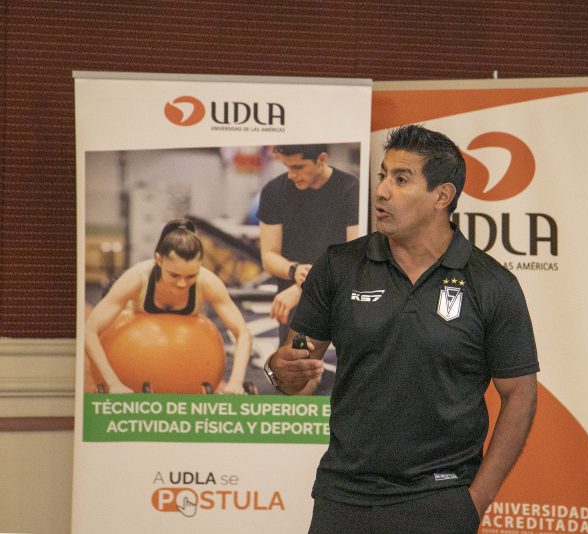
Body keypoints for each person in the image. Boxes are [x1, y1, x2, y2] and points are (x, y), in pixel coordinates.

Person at [265, 125, 539, 533]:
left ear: (442, 197)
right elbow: (297, 361)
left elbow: (520, 394)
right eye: (382, 175)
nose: (381, 191)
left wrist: (475, 500)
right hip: (344, 496)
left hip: (440, 498)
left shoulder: (491, 284)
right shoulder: (338, 266)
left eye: (401, 179)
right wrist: (280, 368)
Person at [85, 218, 253, 394]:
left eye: (190, 276)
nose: (182, 283)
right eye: (174, 275)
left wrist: (236, 381)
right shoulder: (137, 278)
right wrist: (112, 383)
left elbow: (242, 333)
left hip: (185, 362)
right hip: (134, 353)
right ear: (159, 260)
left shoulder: (208, 282)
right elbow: (89, 331)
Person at [257, 143, 359, 344]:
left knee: (352, 368)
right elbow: (268, 256)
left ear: (321, 159)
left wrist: (304, 288)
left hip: (339, 292)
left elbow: (353, 258)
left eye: (297, 167)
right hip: (294, 300)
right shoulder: (274, 191)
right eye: (287, 167)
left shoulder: (350, 189)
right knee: (297, 368)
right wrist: (294, 270)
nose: (291, 175)